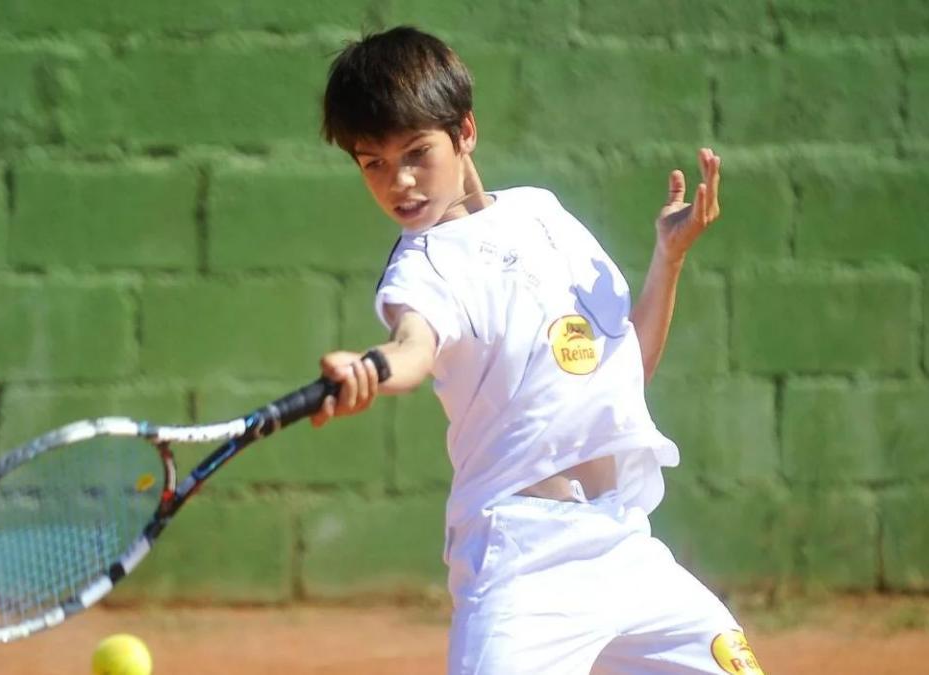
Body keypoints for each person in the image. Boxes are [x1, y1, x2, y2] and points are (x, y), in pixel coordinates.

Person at [311, 26, 764, 675]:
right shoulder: (423, 267)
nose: (399, 181)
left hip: (623, 545)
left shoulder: (541, 214)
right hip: (522, 565)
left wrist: (669, 258)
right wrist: (371, 369)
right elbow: (413, 346)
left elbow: (627, 370)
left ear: (465, 132)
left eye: (416, 151)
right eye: (372, 162)